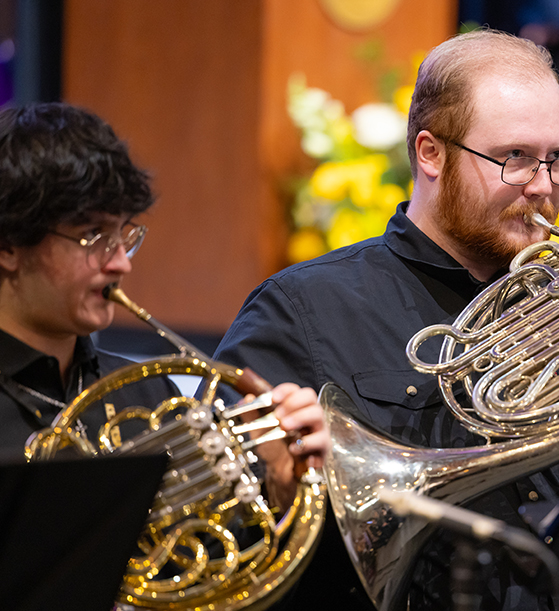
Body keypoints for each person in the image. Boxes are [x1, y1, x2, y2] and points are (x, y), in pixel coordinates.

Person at [212, 28, 559, 611]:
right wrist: (281, 486)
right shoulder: (304, 310)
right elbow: (233, 535)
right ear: (431, 153)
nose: (544, 186)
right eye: (516, 158)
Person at [0, 102, 330, 506]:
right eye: (93, 235)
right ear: (9, 245)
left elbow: (215, 557)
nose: (120, 261)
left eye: (124, 235)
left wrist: (281, 490)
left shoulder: (152, 394)